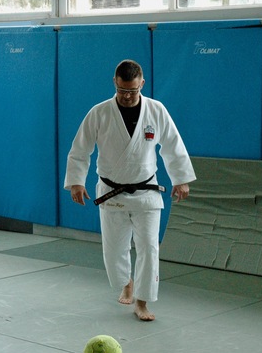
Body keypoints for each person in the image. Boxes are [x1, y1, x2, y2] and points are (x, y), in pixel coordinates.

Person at [64, 59, 196, 321]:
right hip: (111, 191)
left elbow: (173, 144)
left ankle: (142, 302)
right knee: (114, 249)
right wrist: (77, 181)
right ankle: (126, 282)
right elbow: (80, 149)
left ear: (142, 84)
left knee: (149, 247)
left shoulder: (156, 110)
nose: (127, 96)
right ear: (115, 82)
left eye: (133, 91)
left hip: (146, 191)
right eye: (122, 90)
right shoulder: (99, 112)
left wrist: (181, 178)